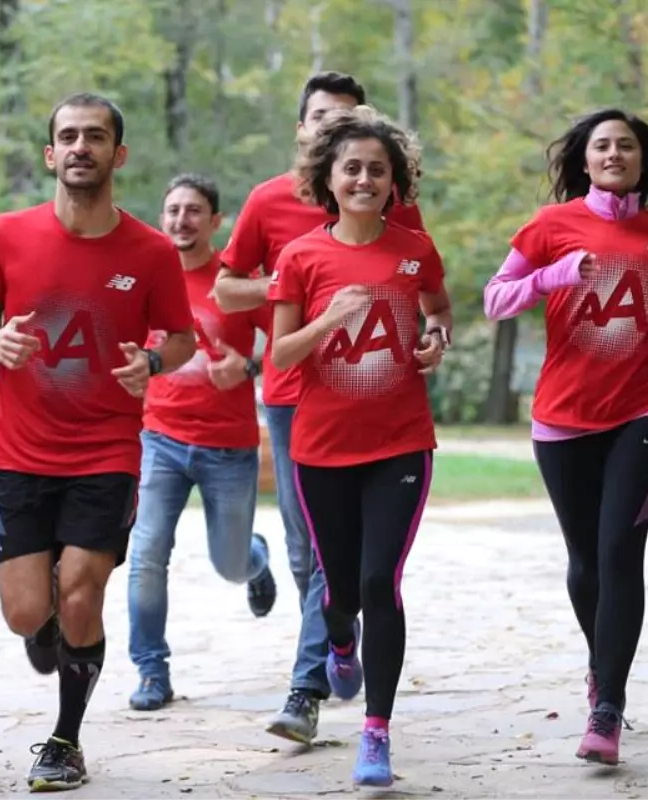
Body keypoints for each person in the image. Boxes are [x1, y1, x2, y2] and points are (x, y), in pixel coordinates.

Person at [0, 92, 196, 792]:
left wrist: (152, 363)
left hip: (105, 450)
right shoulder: (7, 233)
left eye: (94, 137)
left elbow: (183, 339)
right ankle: (47, 636)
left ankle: (65, 740)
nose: (80, 147)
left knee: (78, 597)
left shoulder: (152, 251)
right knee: (26, 612)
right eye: (67, 136)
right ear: (50, 153)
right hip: (18, 452)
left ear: (117, 154)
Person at [212, 69, 427, 745]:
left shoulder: (393, 206)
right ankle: (336, 645)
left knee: (362, 571)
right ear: (303, 131)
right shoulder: (269, 201)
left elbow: (422, 291)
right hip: (292, 399)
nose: (337, 129)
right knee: (313, 562)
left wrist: (429, 336)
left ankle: (304, 692)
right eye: (324, 120)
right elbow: (224, 290)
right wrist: (298, 292)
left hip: (381, 409)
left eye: (349, 117)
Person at [483, 108, 648, 766]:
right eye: (602, 145)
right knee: (585, 562)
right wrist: (550, 276)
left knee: (620, 552)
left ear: (641, 159)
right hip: (564, 414)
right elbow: (495, 298)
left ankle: (608, 708)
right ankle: (603, 666)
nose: (614, 154)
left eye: (626, 146)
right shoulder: (550, 227)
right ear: (583, 159)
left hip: (643, 407)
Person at [269, 104, 450, 787]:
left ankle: (376, 734)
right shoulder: (302, 256)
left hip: (402, 442)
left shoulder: (414, 249)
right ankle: (339, 641)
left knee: (382, 582)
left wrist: (436, 342)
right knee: (340, 590)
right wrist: (329, 320)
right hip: (321, 447)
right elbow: (280, 357)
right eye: (353, 168)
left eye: (378, 169)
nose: (365, 179)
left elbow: (439, 310)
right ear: (329, 178)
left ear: (394, 180)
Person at [126, 173, 276, 711]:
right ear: (161, 217)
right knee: (146, 554)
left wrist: (250, 366)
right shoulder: (145, 277)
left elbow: (289, 336)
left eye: (193, 211)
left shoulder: (236, 282)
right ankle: (151, 670)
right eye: (172, 210)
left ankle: (256, 562)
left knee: (229, 563)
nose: (181, 220)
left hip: (227, 446)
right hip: (159, 439)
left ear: (215, 223)